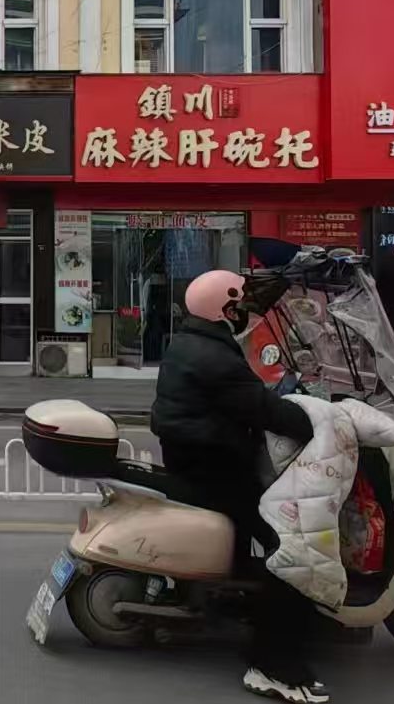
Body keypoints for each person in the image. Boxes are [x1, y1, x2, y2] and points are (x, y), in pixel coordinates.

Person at [150, 269, 325, 704]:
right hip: (215, 471)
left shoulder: (195, 342)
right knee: (291, 547)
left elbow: (248, 399)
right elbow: (266, 411)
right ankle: (274, 666)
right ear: (223, 310)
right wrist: (325, 422)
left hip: (203, 462)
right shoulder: (215, 357)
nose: (246, 312)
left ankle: (244, 605)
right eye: (240, 305)